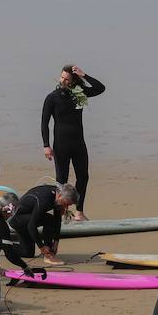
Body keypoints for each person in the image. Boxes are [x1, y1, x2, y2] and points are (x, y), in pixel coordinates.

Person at [41, 65, 104, 219]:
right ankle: (60, 213)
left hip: (78, 143)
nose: (62, 80)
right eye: (61, 77)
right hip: (61, 145)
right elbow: (44, 123)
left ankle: (79, 212)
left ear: (73, 81)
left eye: (67, 79)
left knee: (83, 177)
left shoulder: (80, 94)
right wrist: (46, 145)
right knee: (61, 180)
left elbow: (100, 88)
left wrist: (84, 75)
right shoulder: (52, 97)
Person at [8, 182, 78, 265]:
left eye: (68, 205)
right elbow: (31, 226)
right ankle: (48, 255)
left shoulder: (58, 195)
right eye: (66, 204)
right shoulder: (45, 200)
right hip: (17, 219)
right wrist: (42, 247)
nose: (66, 207)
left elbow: (57, 220)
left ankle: (1, 244)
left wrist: (56, 243)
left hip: (26, 218)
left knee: (28, 253)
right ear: (60, 196)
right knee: (49, 220)